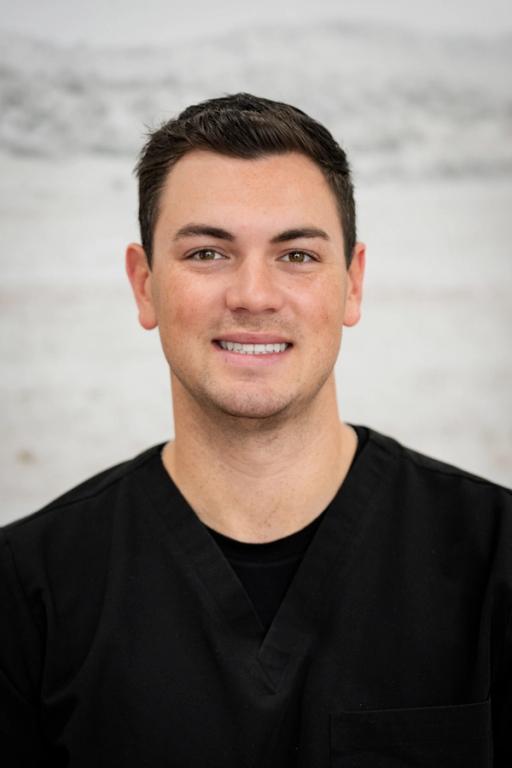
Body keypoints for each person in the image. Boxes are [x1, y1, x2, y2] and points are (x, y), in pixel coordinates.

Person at [1, 92, 510, 767]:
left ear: (352, 284)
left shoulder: (495, 559)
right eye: (208, 253)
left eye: (296, 255)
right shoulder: (26, 592)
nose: (253, 294)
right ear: (144, 283)